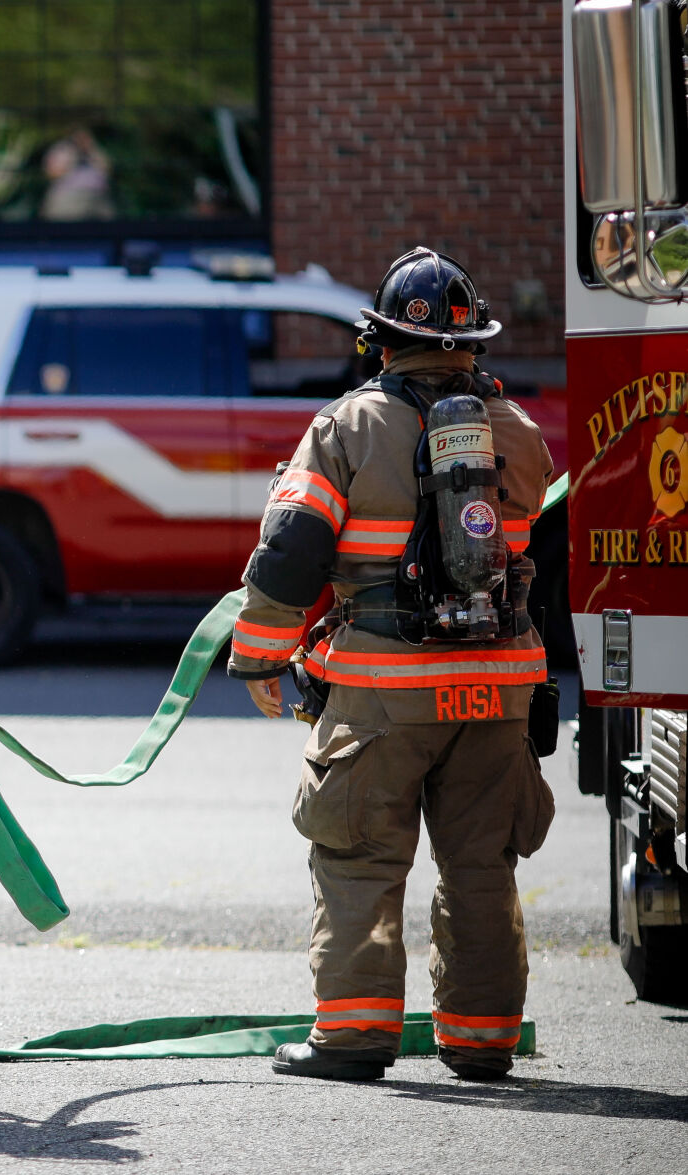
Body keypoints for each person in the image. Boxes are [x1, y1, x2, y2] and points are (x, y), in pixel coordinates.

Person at [227, 248, 555, 1083]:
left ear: (377, 342)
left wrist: (260, 655)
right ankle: (482, 1038)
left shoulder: (345, 427)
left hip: (382, 693)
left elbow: (290, 552)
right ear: (471, 346)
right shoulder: (519, 435)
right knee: (480, 865)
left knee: (359, 861)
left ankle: (353, 1036)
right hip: (499, 691)